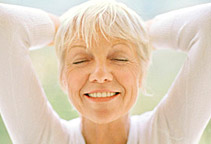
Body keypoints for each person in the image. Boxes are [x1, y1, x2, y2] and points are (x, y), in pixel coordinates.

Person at [0, 0, 210, 144]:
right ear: (63, 77)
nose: (100, 75)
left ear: (142, 72)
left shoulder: (165, 137)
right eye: (81, 60)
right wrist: (63, 28)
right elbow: (4, 25)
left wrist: (138, 33)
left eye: (119, 58)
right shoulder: (45, 139)